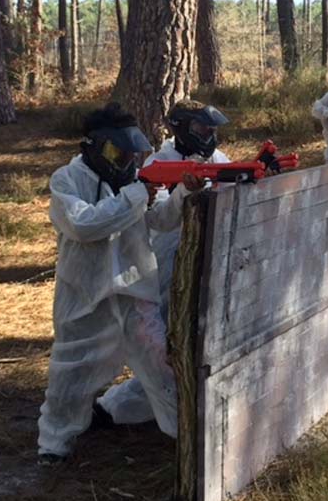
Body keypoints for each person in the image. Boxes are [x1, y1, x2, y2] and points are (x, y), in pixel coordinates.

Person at [37, 103, 203, 465]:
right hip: (85, 296)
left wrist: (182, 193)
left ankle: (191, 436)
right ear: (95, 146)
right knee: (71, 373)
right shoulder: (67, 180)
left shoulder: (134, 180)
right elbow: (84, 225)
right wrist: (137, 195)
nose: (127, 159)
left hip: (134, 294)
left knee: (162, 367)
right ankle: (53, 444)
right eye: (119, 152)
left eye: (131, 152)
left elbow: (162, 220)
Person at [93, 100, 232, 426]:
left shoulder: (219, 159)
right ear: (180, 128)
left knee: (199, 339)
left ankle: (178, 406)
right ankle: (116, 407)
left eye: (211, 129)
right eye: (201, 128)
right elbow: (161, 218)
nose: (208, 135)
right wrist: (184, 190)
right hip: (169, 259)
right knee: (168, 344)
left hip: (212, 256)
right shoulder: (159, 163)